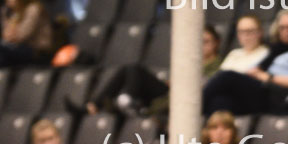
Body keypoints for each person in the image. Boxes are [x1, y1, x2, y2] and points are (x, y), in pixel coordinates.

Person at [202, 9, 288, 116]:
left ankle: (196, 105)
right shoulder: (276, 49)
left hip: (275, 94)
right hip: (260, 92)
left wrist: (269, 77)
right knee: (220, 102)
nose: (287, 31)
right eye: (282, 28)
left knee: (227, 76)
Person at [83, 26, 223, 116]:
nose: (202, 46)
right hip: (170, 92)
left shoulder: (218, 65)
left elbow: (205, 86)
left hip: (179, 98)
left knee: (135, 70)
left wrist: (180, 85)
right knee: (130, 69)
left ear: (216, 43)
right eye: (199, 41)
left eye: (206, 42)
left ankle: (127, 99)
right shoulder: (191, 62)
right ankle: (96, 104)